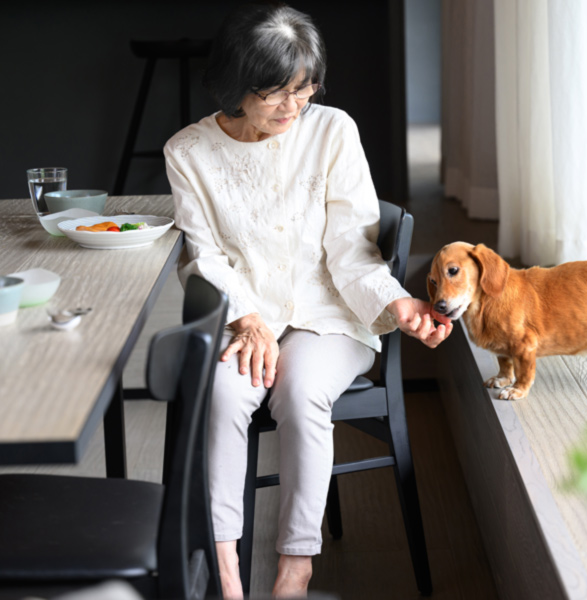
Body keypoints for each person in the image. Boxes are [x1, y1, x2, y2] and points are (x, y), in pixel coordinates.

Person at [164, 4, 453, 597]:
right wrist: (247, 320)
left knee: (299, 392)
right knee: (221, 394)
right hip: (247, 317)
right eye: (275, 93)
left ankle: (295, 568)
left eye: (305, 89)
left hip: (330, 315)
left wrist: (397, 303)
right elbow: (206, 255)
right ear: (236, 85)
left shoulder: (333, 131)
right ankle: (225, 576)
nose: (293, 107)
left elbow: (352, 247)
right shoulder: (187, 152)